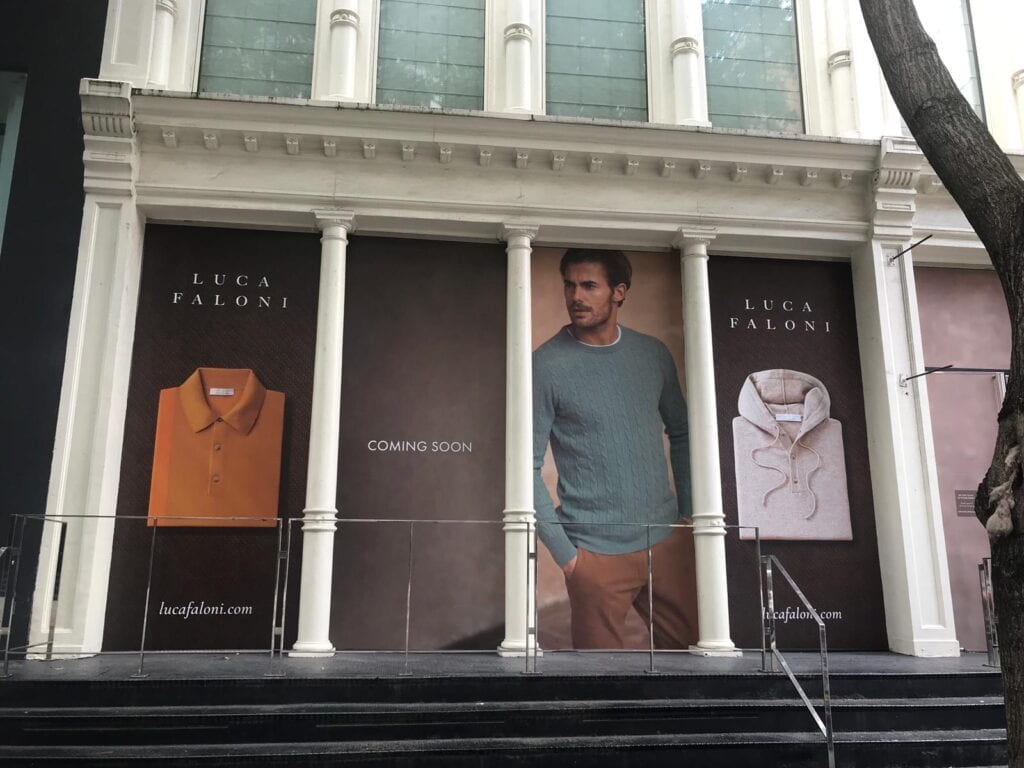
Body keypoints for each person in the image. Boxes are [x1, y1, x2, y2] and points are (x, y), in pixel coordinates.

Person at [533, 248, 698, 649]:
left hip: (668, 541)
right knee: (598, 681)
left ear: (619, 292)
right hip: (594, 555)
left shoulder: (652, 354)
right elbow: (524, 466)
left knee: (699, 662)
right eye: (569, 285)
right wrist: (568, 558)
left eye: (589, 286)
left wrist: (690, 516)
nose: (576, 296)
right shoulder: (545, 366)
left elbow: (684, 433)